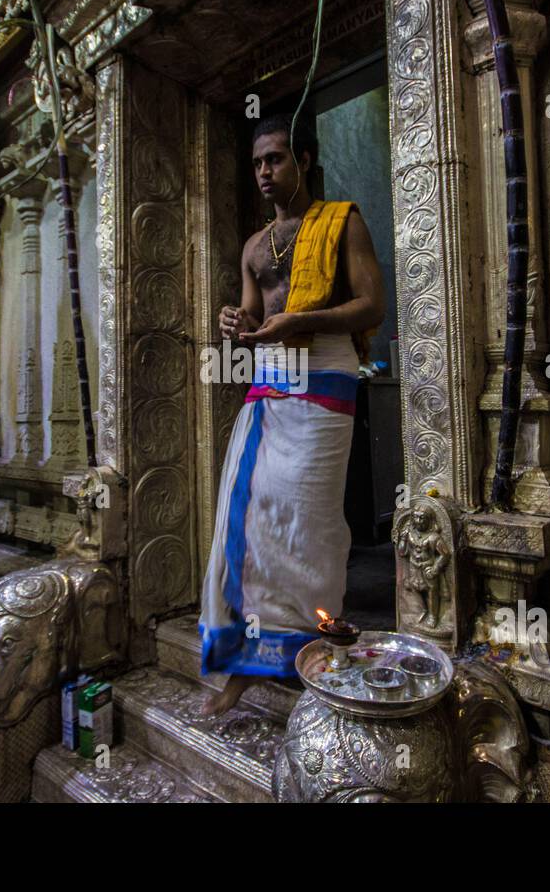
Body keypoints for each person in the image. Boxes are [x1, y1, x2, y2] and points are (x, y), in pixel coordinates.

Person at [199, 113, 385, 715]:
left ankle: (318, 653)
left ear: (303, 160)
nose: (264, 173)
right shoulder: (255, 245)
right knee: (249, 518)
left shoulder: (342, 221)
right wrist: (236, 324)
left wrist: (301, 322)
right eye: (257, 163)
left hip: (326, 377)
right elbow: (254, 321)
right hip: (269, 382)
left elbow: (370, 304)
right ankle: (246, 662)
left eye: (275, 159)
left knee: (310, 521)